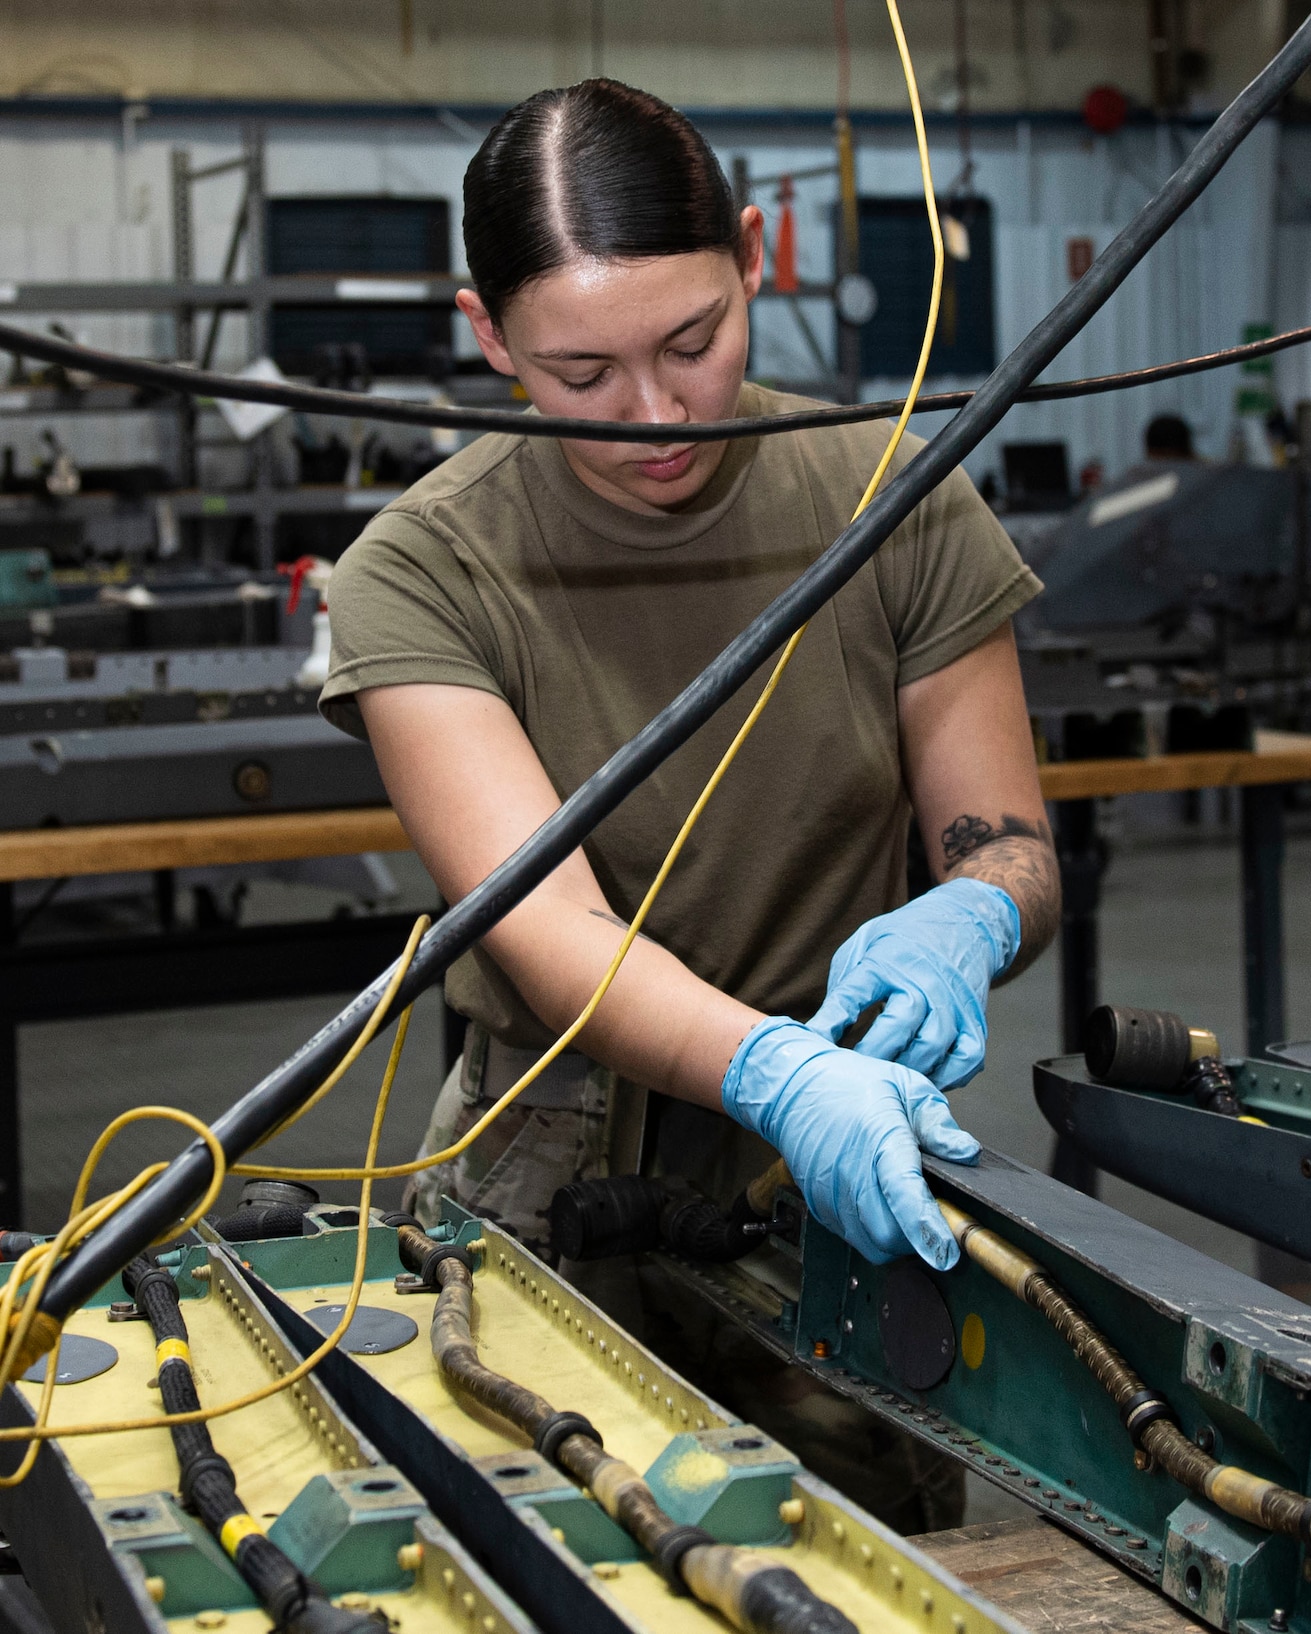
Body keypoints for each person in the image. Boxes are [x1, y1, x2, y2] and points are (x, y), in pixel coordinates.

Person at [318, 80, 1059, 1532]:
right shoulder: (417, 571)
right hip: (547, 1172)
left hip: (831, 1175)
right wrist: (777, 1067)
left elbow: (1011, 841)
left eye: (693, 342)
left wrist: (972, 913)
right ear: (488, 335)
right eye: (578, 372)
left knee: (856, 1555)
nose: (655, 416)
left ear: (757, 255)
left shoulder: (894, 496)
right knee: (522, 1557)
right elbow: (550, 935)